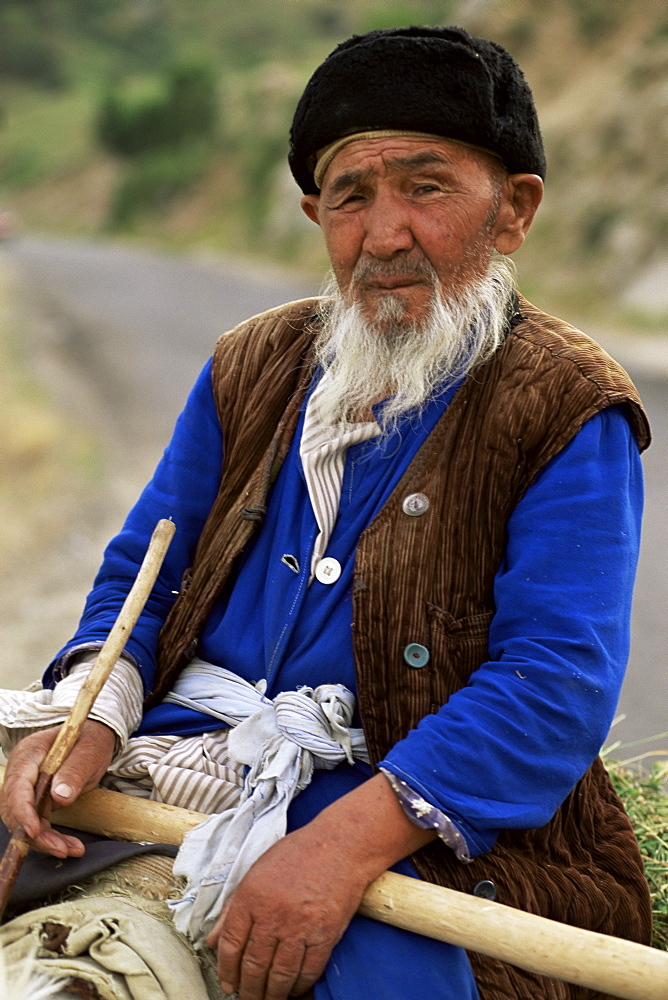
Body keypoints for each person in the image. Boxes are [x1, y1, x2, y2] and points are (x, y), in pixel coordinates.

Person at [0, 24, 652, 1000]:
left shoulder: (563, 404)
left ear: (512, 211)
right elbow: (144, 573)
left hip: (408, 818)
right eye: (350, 195)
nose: (382, 234)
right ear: (316, 214)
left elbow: (553, 682)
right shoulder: (250, 366)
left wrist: (342, 846)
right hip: (184, 764)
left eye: (424, 187)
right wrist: (89, 716)